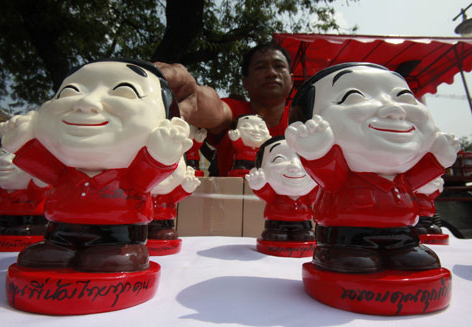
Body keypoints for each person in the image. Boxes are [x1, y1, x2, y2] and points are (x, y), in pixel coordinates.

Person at [0, 59, 192, 272]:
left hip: (118, 234)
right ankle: (59, 247)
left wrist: (162, 153)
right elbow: (37, 164)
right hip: (61, 229)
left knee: (111, 259)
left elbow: (150, 173)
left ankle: (119, 248)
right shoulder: (63, 171)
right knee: (49, 255)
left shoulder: (129, 174)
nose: (86, 102)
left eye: (125, 91)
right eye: (70, 91)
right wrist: (20, 142)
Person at [285, 62, 460, 273]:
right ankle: (337, 251)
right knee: (353, 260)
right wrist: (316, 153)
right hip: (347, 234)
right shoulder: (343, 174)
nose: (395, 109)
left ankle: (403, 249)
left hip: (403, 232)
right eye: (353, 96)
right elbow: (331, 179)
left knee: (411, 259)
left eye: (404, 97)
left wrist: (438, 159)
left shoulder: (402, 178)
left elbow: (417, 179)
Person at [156, 41, 293, 176]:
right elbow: (217, 110)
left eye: (279, 66)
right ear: (245, 82)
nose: (271, 73)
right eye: (261, 67)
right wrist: (195, 95)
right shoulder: (234, 111)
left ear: (291, 81)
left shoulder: (305, 118)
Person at [246, 135, 318, 242]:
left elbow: (316, 196)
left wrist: (320, 182)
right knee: (275, 236)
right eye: (279, 159)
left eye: (303, 159)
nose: (295, 166)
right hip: (276, 221)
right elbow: (267, 195)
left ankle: (302, 232)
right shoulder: (275, 193)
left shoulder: (310, 191)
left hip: (302, 221)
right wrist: (259, 186)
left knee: (304, 236)